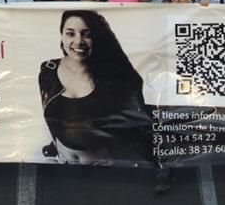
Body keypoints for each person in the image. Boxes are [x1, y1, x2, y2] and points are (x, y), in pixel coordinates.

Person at [39, 10, 150, 165]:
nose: (79, 41)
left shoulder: (113, 77)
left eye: (87, 34)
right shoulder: (48, 70)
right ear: (62, 36)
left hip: (105, 170)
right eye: (70, 34)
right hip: (63, 167)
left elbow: (135, 125)